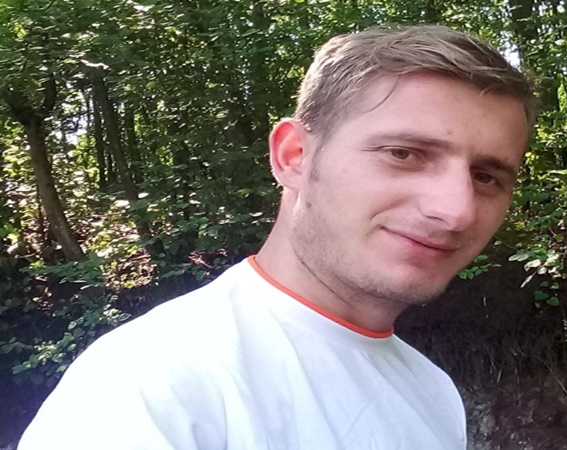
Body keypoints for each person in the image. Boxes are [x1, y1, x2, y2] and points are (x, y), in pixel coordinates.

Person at [19, 25, 537, 449]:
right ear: (294, 156)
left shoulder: (433, 392)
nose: (455, 210)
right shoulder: (152, 384)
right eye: (404, 154)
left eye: (487, 177)